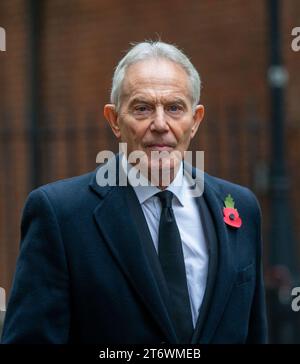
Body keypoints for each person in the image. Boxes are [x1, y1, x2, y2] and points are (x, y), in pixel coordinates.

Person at [1, 41, 268, 344]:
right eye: (142, 108)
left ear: (195, 121)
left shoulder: (241, 208)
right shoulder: (61, 215)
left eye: (174, 108)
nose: (159, 124)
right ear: (114, 120)